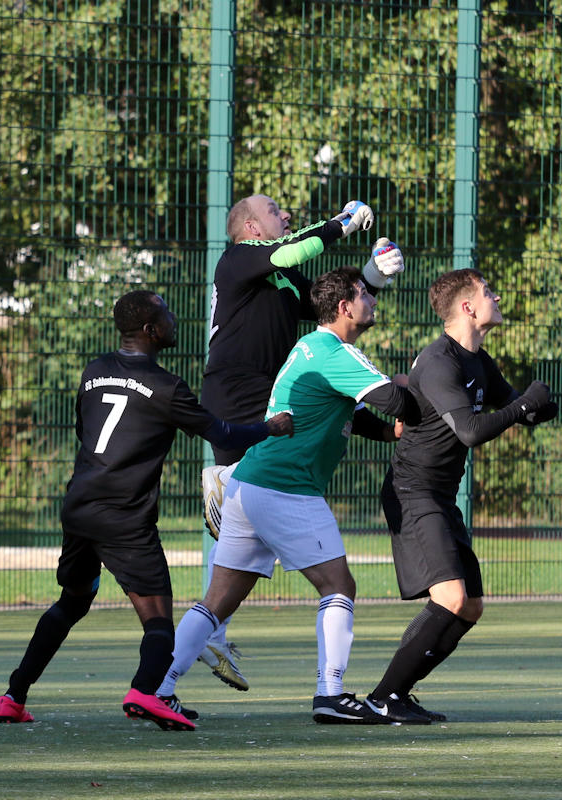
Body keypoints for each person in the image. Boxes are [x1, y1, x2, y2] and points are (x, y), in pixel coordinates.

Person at [0, 290, 293, 731]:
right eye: (166, 313)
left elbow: (85, 431)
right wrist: (272, 427)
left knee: (71, 603)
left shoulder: (94, 372)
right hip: (124, 516)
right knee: (158, 622)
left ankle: (12, 697)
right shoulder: (166, 387)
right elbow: (223, 431)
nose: (173, 317)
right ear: (152, 330)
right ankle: (145, 692)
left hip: (79, 506)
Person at [156, 266, 420, 725]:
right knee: (339, 586)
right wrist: (408, 383)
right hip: (285, 488)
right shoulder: (334, 351)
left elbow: (364, 420)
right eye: (365, 295)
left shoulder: (312, 349)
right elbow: (398, 404)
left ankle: (158, 688)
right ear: (344, 307)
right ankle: (330, 696)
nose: (373, 302)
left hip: (248, 486)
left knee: (217, 602)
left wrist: (392, 429)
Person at [186, 195, 404, 696]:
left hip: (266, 397)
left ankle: (206, 630)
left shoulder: (279, 278)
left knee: (248, 551)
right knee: (269, 531)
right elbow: (290, 250)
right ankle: (220, 625)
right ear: (249, 225)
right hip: (239, 396)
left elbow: (330, 308)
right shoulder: (240, 257)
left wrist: (372, 274)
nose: (285, 215)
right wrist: (340, 225)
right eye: (275, 209)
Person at [364, 269, 558, 724]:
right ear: (468, 307)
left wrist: (538, 407)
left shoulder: (478, 359)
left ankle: (399, 693)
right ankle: (382, 697)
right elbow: (471, 431)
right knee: (449, 596)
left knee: (470, 606)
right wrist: (522, 407)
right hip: (412, 492)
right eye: (488, 291)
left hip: (440, 495)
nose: (496, 295)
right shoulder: (439, 361)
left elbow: (516, 407)